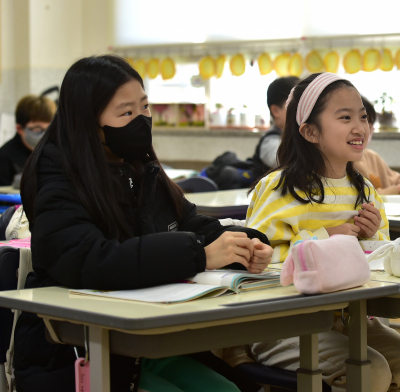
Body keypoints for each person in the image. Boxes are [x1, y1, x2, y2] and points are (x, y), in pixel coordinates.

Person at [13, 55, 273, 392]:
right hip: (79, 349)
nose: (142, 120)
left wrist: (246, 242)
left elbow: (190, 222)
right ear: (87, 121)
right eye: (126, 112)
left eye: (145, 107)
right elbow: (91, 259)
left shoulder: (140, 168)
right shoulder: (59, 178)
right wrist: (199, 254)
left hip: (146, 340)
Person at [245, 73, 400, 391]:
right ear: (309, 131)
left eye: (362, 116)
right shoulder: (279, 188)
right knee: (370, 372)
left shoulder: (363, 189)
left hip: (351, 320)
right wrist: (325, 237)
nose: (360, 127)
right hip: (282, 324)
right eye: (345, 117)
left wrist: (372, 237)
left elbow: (379, 263)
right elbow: (258, 262)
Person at [250, 76, 299, 179]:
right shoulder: (270, 141)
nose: (302, 111)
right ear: (276, 111)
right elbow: (289, 162)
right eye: (296, 106)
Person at [0, 95, 55, 185]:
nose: (45, 135)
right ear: (19, 129)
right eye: (37, 129)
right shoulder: (4, 158)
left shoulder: (55, 152)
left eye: (49, 129)